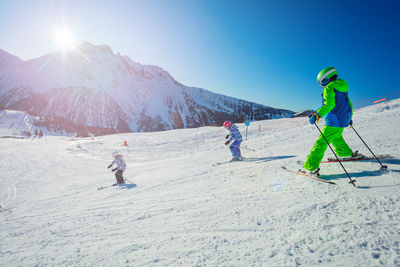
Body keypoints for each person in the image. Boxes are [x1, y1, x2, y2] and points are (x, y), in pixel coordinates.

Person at [302, 67, 358, 175]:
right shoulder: (343, 87)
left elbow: (329, 105)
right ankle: (345, 153)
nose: (321, 86)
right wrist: (349, 118)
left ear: (326, 79)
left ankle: (311, 167)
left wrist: (317, 114)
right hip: (342, 121)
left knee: (321, 143)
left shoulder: (329, 88)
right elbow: (348, 104)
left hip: (333, 121)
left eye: (321, 83)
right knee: (336, 138)